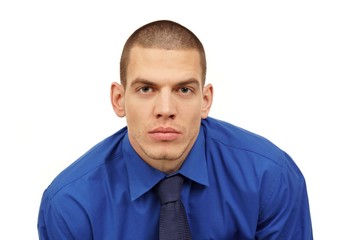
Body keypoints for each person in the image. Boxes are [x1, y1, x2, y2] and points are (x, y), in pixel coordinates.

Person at [37, 20, 313, 239]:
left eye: (184, 89)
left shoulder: (270, 177)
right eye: (146, 89)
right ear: (119, 100)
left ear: (205, 101)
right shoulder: (70, 204)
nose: (165, 108)